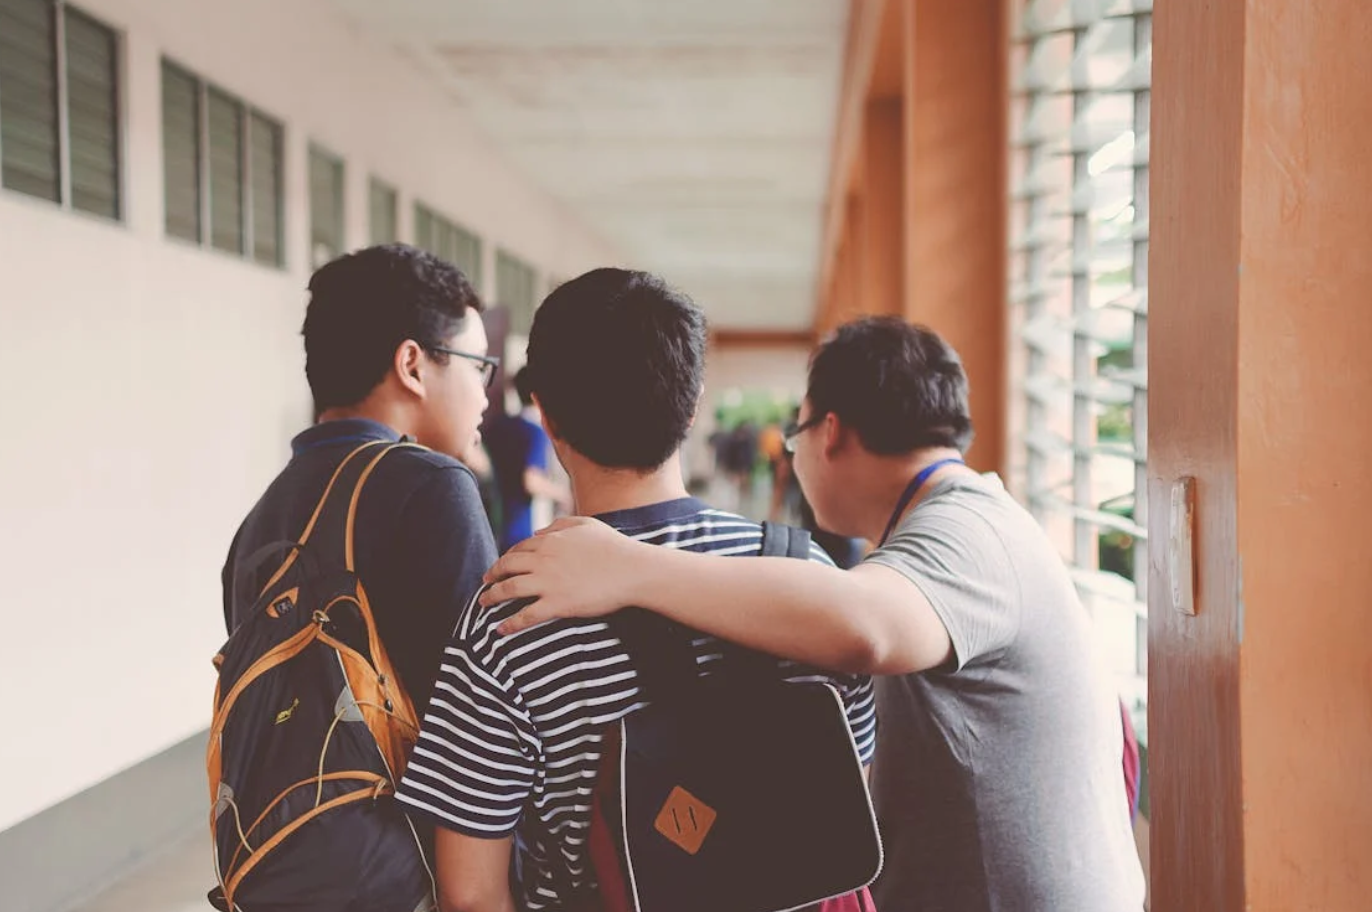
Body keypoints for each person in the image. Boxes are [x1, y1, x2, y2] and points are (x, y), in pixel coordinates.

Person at [481, 317, 1147, 911]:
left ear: (828, 433)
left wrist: (627, 567)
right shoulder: (965, 520)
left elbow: (863, 629)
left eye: (793, 431)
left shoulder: (970, 532)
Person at [394, 269, 877, 912]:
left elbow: (471, 892)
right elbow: (849, 797)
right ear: (694, 403)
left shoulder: (511, 612)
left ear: (547, 414)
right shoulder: (806, 581)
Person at [223, 242, 499, 720]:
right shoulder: (434, 485)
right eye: (478, 366)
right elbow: (486, 715)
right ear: (412, 365)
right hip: (409, 796)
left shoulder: (262, 518)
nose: (485, 396)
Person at [485, 366, 572, 551]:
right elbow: (531, 481)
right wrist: (564, 494)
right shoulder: (536, 432)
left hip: (490, 523)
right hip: (520, 529)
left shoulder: (498, 425)